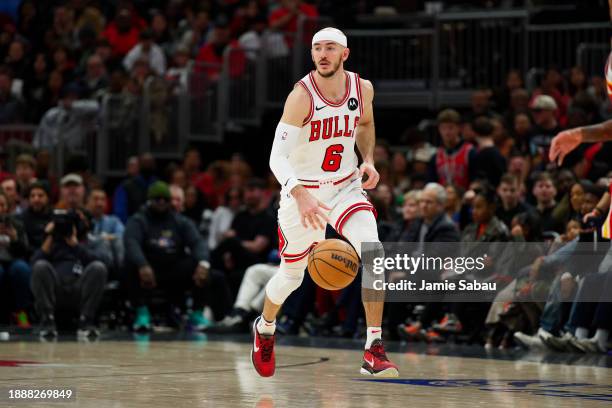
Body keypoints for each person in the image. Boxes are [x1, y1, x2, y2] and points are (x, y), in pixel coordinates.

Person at [256, 28, 398, 378]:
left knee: (374, 253)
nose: (322, 54)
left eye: (330, 48)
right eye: (317, 48)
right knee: (291, 277)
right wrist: (298, 192)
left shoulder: (362, 89)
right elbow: (276, 156)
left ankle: (373, 348)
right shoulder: (301, 97)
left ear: (344, 54)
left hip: (345, 187)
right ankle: (264, 328)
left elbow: (365, 123)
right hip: (302, 192)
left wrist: (368, 159)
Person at [124, 182, 231, 332]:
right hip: (148, 269)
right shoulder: (138, 220)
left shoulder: (180, 221)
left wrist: (203, 263)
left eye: (165, 199)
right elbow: (131, 243)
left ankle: (196, 314)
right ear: (149, 200)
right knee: (130, 263)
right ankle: (142, 313)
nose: (161, 202)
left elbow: (198, 242)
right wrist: (142, 264)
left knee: (202, 266)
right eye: (157, 199)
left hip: (173, 268)